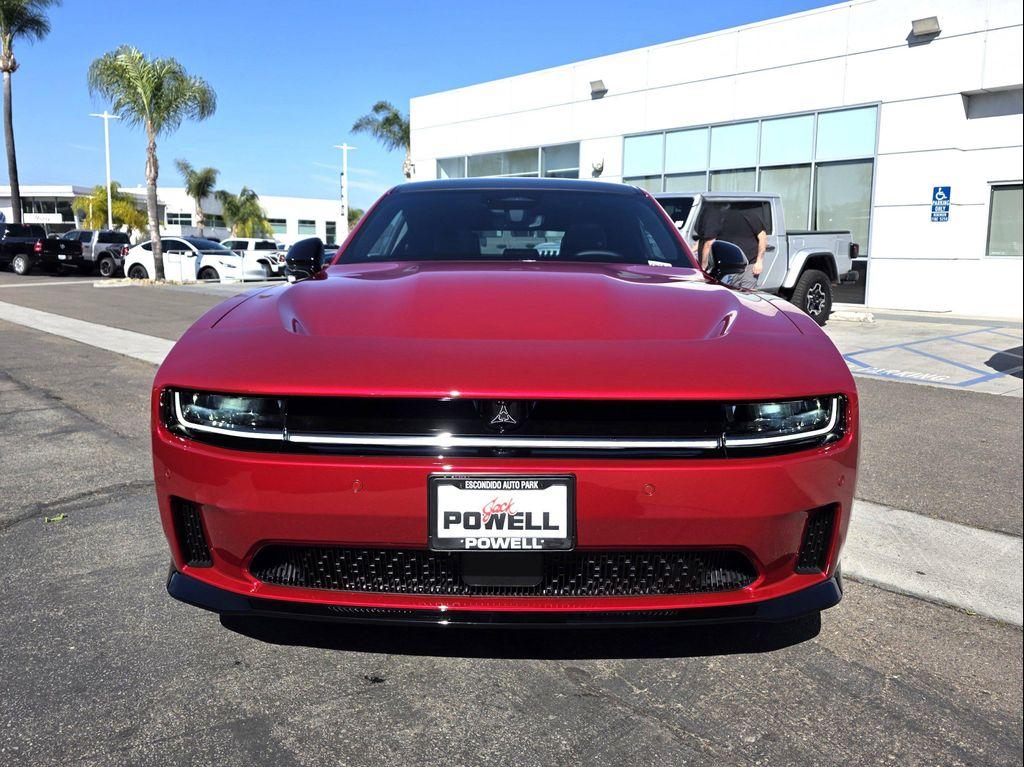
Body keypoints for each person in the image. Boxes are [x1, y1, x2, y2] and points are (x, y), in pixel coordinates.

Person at [700, 203, 768, 289]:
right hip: (730, 267)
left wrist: (703, 268)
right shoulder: (749, 214)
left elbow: (708, 243)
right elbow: (763, 237)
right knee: (746, 296)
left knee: (730, 294)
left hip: (747, 265)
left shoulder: (720, 217)